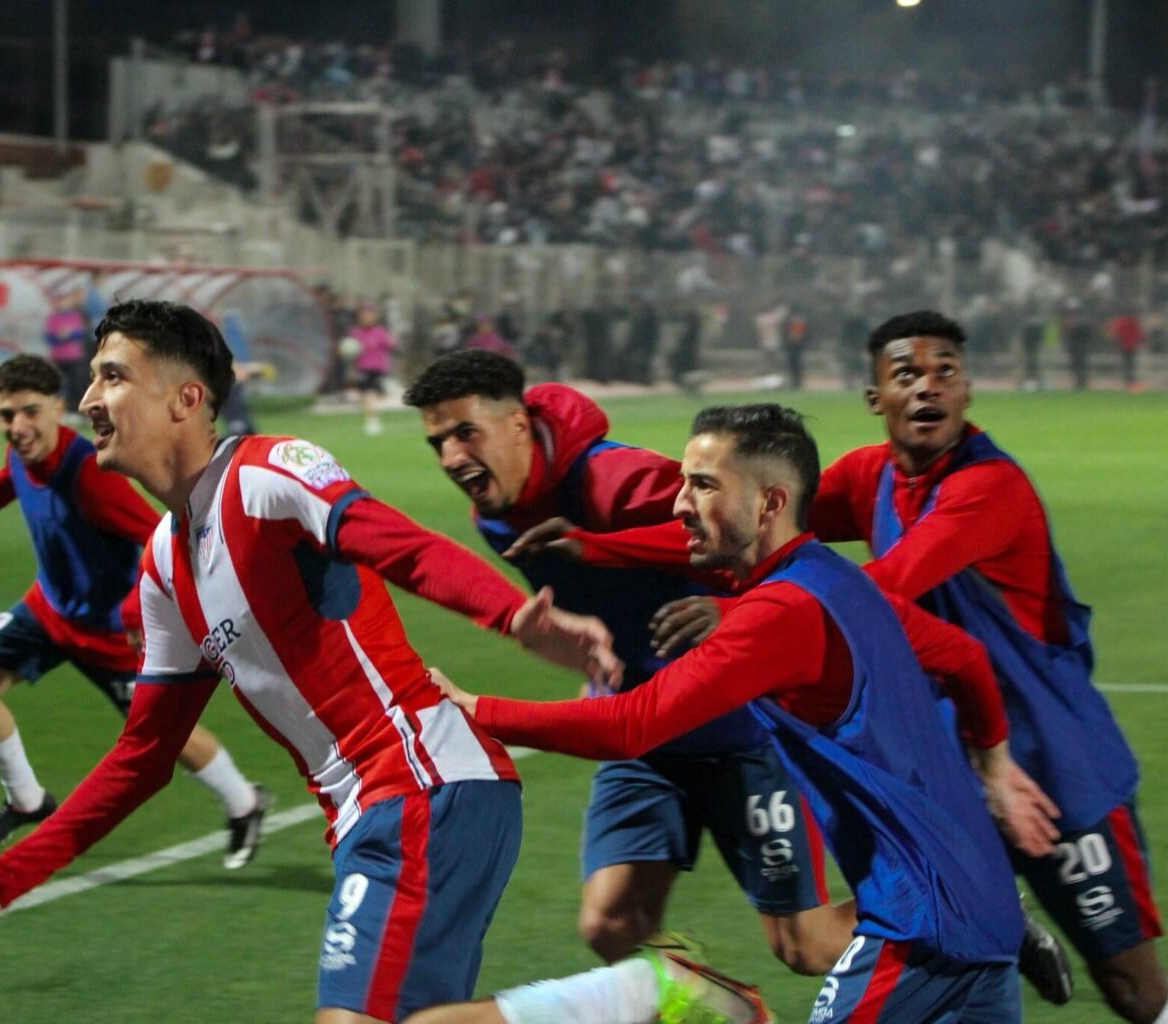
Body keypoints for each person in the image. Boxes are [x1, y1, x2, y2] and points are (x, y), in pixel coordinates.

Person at [0, 299, 627, 1024]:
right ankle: (637, 997)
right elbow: (142, 757)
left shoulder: (267, 472)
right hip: (368, 815)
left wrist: (513, 618)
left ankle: (636, 996)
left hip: (424, 783)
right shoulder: (164, 566)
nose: (87, 401)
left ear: (186, 399)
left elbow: (395, 542)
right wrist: (3, 880)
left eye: (112, 376)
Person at [535, 312, 1168, 1023]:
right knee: (897, 935)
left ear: (968, 389)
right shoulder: (872, 477)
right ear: (875, 397)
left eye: (945, 371)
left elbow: (867, 593)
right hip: (948, 762)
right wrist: (598, 546)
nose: (928, 387)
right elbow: (758, 524)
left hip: (1051, 759)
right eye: (907, 374)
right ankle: (998, 928)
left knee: (1130, 985)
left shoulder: (989, 487)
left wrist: (743, 616)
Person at [431, 403, 1063, 1023]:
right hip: (974, 905)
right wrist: (995, 766)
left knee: (804, 943)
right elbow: (963, 657)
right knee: (618, 920)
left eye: (704, 486)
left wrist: (476, 710)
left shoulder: (779, 615)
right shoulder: (840, 582)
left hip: (921, 925)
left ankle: (696, 1002)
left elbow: (631, 724)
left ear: (769, 504)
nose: (679, 504)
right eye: (684, 482)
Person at [403, 350, 851, 978]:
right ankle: (725, 1010)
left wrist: (725, 608)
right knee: (610, 925)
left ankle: (946, 906)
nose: (452, 457)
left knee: (808, 946)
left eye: (465, 433)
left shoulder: (615, 478)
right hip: (642, 735)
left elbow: (748, 533)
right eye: (439, 443)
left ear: (518, 425)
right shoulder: (497, 516)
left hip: (744, 731)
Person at [0, 353, 268, 862]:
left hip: (109, 632)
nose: (18, 427)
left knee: (165, 738)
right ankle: (27, 801)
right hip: (48, 611)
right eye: (6, 415)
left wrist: (132, 613)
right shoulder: (24, 454)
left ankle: (244, 802)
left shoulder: (90, 474)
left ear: (57, 407)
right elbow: (4, 486)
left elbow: (162, 536)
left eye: (30, 412)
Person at [348, 303, 399, 436]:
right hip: (363, 368)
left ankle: (372, 420)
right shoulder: (356, 333)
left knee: (371, 394)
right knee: (366, 395)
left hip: (378, 368)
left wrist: (391, 341)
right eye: (365, 316)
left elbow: (391, 345)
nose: (367, 318)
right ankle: (371, 419)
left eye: (370, 316)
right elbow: (350, 349)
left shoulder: (380, 332)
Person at [44, 291, 90, 418]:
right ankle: (61, 411)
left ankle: (75, 411)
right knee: (59, 385)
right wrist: (59, 337)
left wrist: (69, 335)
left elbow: (81, 334)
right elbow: (49, 338)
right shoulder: (53, 318)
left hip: (74, 357)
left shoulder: (75, 316)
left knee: (75, 384)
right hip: (58, 357)